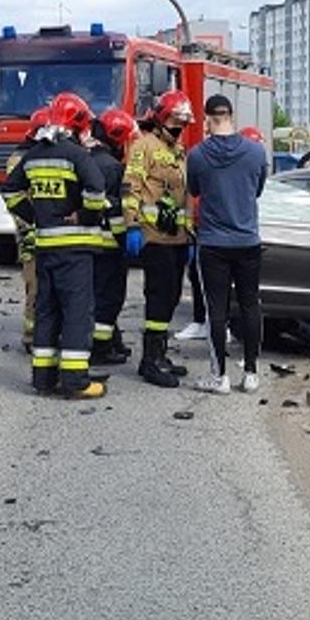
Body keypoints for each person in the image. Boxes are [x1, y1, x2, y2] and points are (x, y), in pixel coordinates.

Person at [2, 92, 108, 399]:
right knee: (76, 312)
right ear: (78, 123)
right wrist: (85, 214)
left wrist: (35, 216)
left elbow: (10, 191)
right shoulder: (77, 155)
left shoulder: (33, 155)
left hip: (45, 247)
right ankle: (76, 381)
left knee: (46, 311)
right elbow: (96, 189)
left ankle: (43, 378)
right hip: (76, 248)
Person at [185, 94, 269, 394]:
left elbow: (194, 190)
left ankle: (219, 376)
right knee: (249, 304)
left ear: (208, 119)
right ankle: (250, 373)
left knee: (216, 310)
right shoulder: (256, 152)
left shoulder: (196, 155)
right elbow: (257, 189)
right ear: (232, 116)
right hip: (248, 240)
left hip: (213, 243)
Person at [125, 91, 196, 387]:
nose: (179, 127)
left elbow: (186, 196)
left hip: (178, 239)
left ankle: (160, 354)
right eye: (174, 121)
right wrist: (132, 226)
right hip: (153, 237)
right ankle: (149, 360)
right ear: (161, 118)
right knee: (157, 298)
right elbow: (132, 188)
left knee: (171, 298)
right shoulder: (144, 146)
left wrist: (190, 233)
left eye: (182, 122)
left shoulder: (180, 151)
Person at [87, 108, 139, 366]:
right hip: (108, 247)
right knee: (109, 299)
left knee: (92, 296)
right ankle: (101, 348)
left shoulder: (85, 160)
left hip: (85, 243)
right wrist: (125, 241)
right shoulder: (113, 168)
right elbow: (117, 212)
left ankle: (109, 341)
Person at [8, 107, 51, 353]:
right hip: (32, 233)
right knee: (35, 285)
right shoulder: (21, 159)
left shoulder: (35, 154)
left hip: (43, 229)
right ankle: (31, 336)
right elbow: (16, 198)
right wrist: (31, 226)